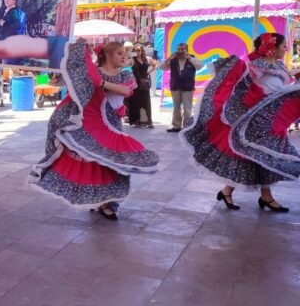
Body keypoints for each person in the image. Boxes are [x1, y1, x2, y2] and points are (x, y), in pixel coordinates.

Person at [27, 40, 159, 220]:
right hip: (91, 125)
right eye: (120, 53)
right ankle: (101, 202)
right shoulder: (93, 73)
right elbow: (77, 85)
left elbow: (125, 91)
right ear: (108, 54)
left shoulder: (124, 75)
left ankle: (107, 201)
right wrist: (83, 53)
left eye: (125, 54)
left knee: (111, 164)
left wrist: (100, 82)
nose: (124, 56)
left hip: (111, 126)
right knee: (93, 163)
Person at [181, 33, 300, 212]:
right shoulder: (255, 66)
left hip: (272, 120)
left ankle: (247, 194)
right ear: (272, 48)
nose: (286, 49)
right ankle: (256, 196)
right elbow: (243, 87)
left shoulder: (279, 65)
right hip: (256, 121)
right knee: (255, 155)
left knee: (261, 156)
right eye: (284, 46)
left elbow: (279, 86)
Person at [158, 42, 203, 132]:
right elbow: (162, 67)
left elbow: (200, 66)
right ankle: (176, 126)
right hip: (175, 86)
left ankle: (186, 127)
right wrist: (168, 59)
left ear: (187, 50)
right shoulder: (173, 59)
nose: (180, 51)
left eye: (182, 49)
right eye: (178, 49)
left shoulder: (192, 58)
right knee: (176, 107)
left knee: (187, 108)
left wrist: (189, 58)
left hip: (188, 87)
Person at [128, 46, 157, 128]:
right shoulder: (132, 60)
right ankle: (137, 121)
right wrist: (128, 55)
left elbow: (155, 65)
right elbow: (123, 64)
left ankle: (150, 121)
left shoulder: (147, 59)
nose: (137, 52)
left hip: (144, 83)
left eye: (138, 50)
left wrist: (148, 73)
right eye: (135, 50)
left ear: (142, 51)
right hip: (135, 83)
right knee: (136, 101)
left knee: (147, 101)